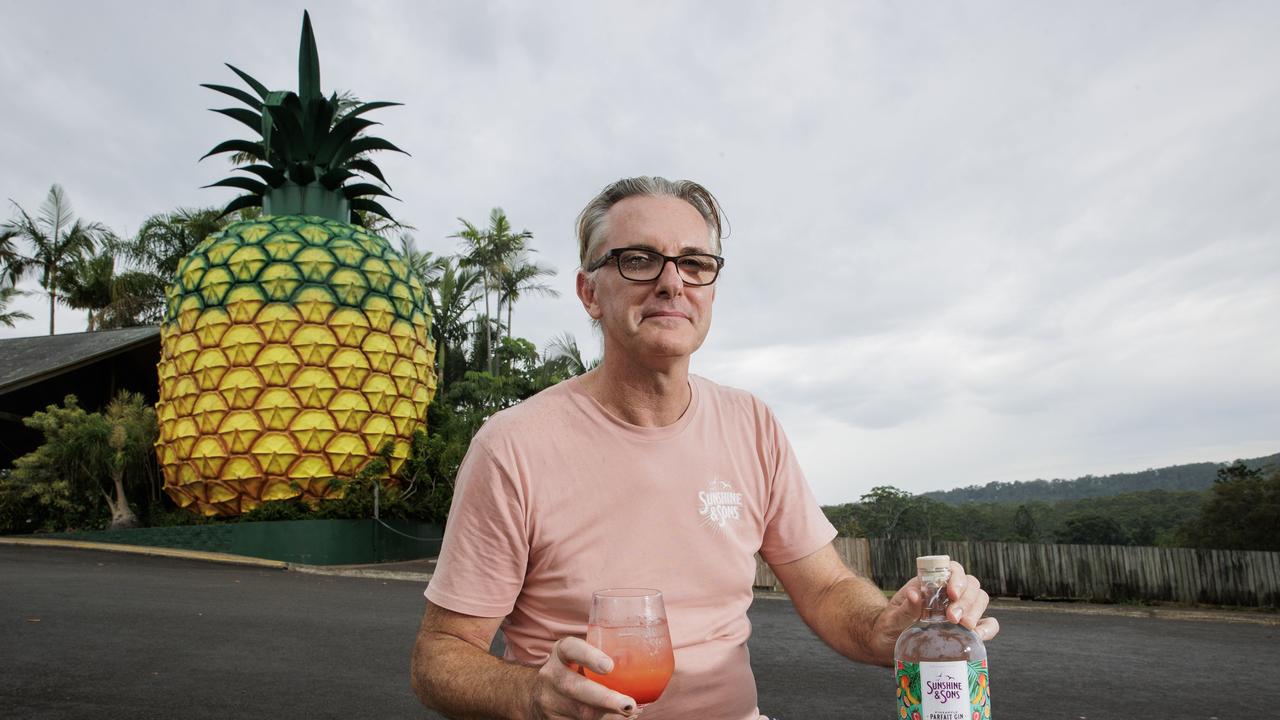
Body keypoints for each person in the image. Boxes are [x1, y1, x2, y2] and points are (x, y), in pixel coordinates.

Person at [410, 177, 1000, 719]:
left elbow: (825, 587)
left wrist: (882, 626)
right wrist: (533, 694)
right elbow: (439, 655)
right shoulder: (513, 447)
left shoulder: (751, 424)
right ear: (590, 292)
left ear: (711, 288)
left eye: (694, 263)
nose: (672, 282)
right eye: (638, 260)